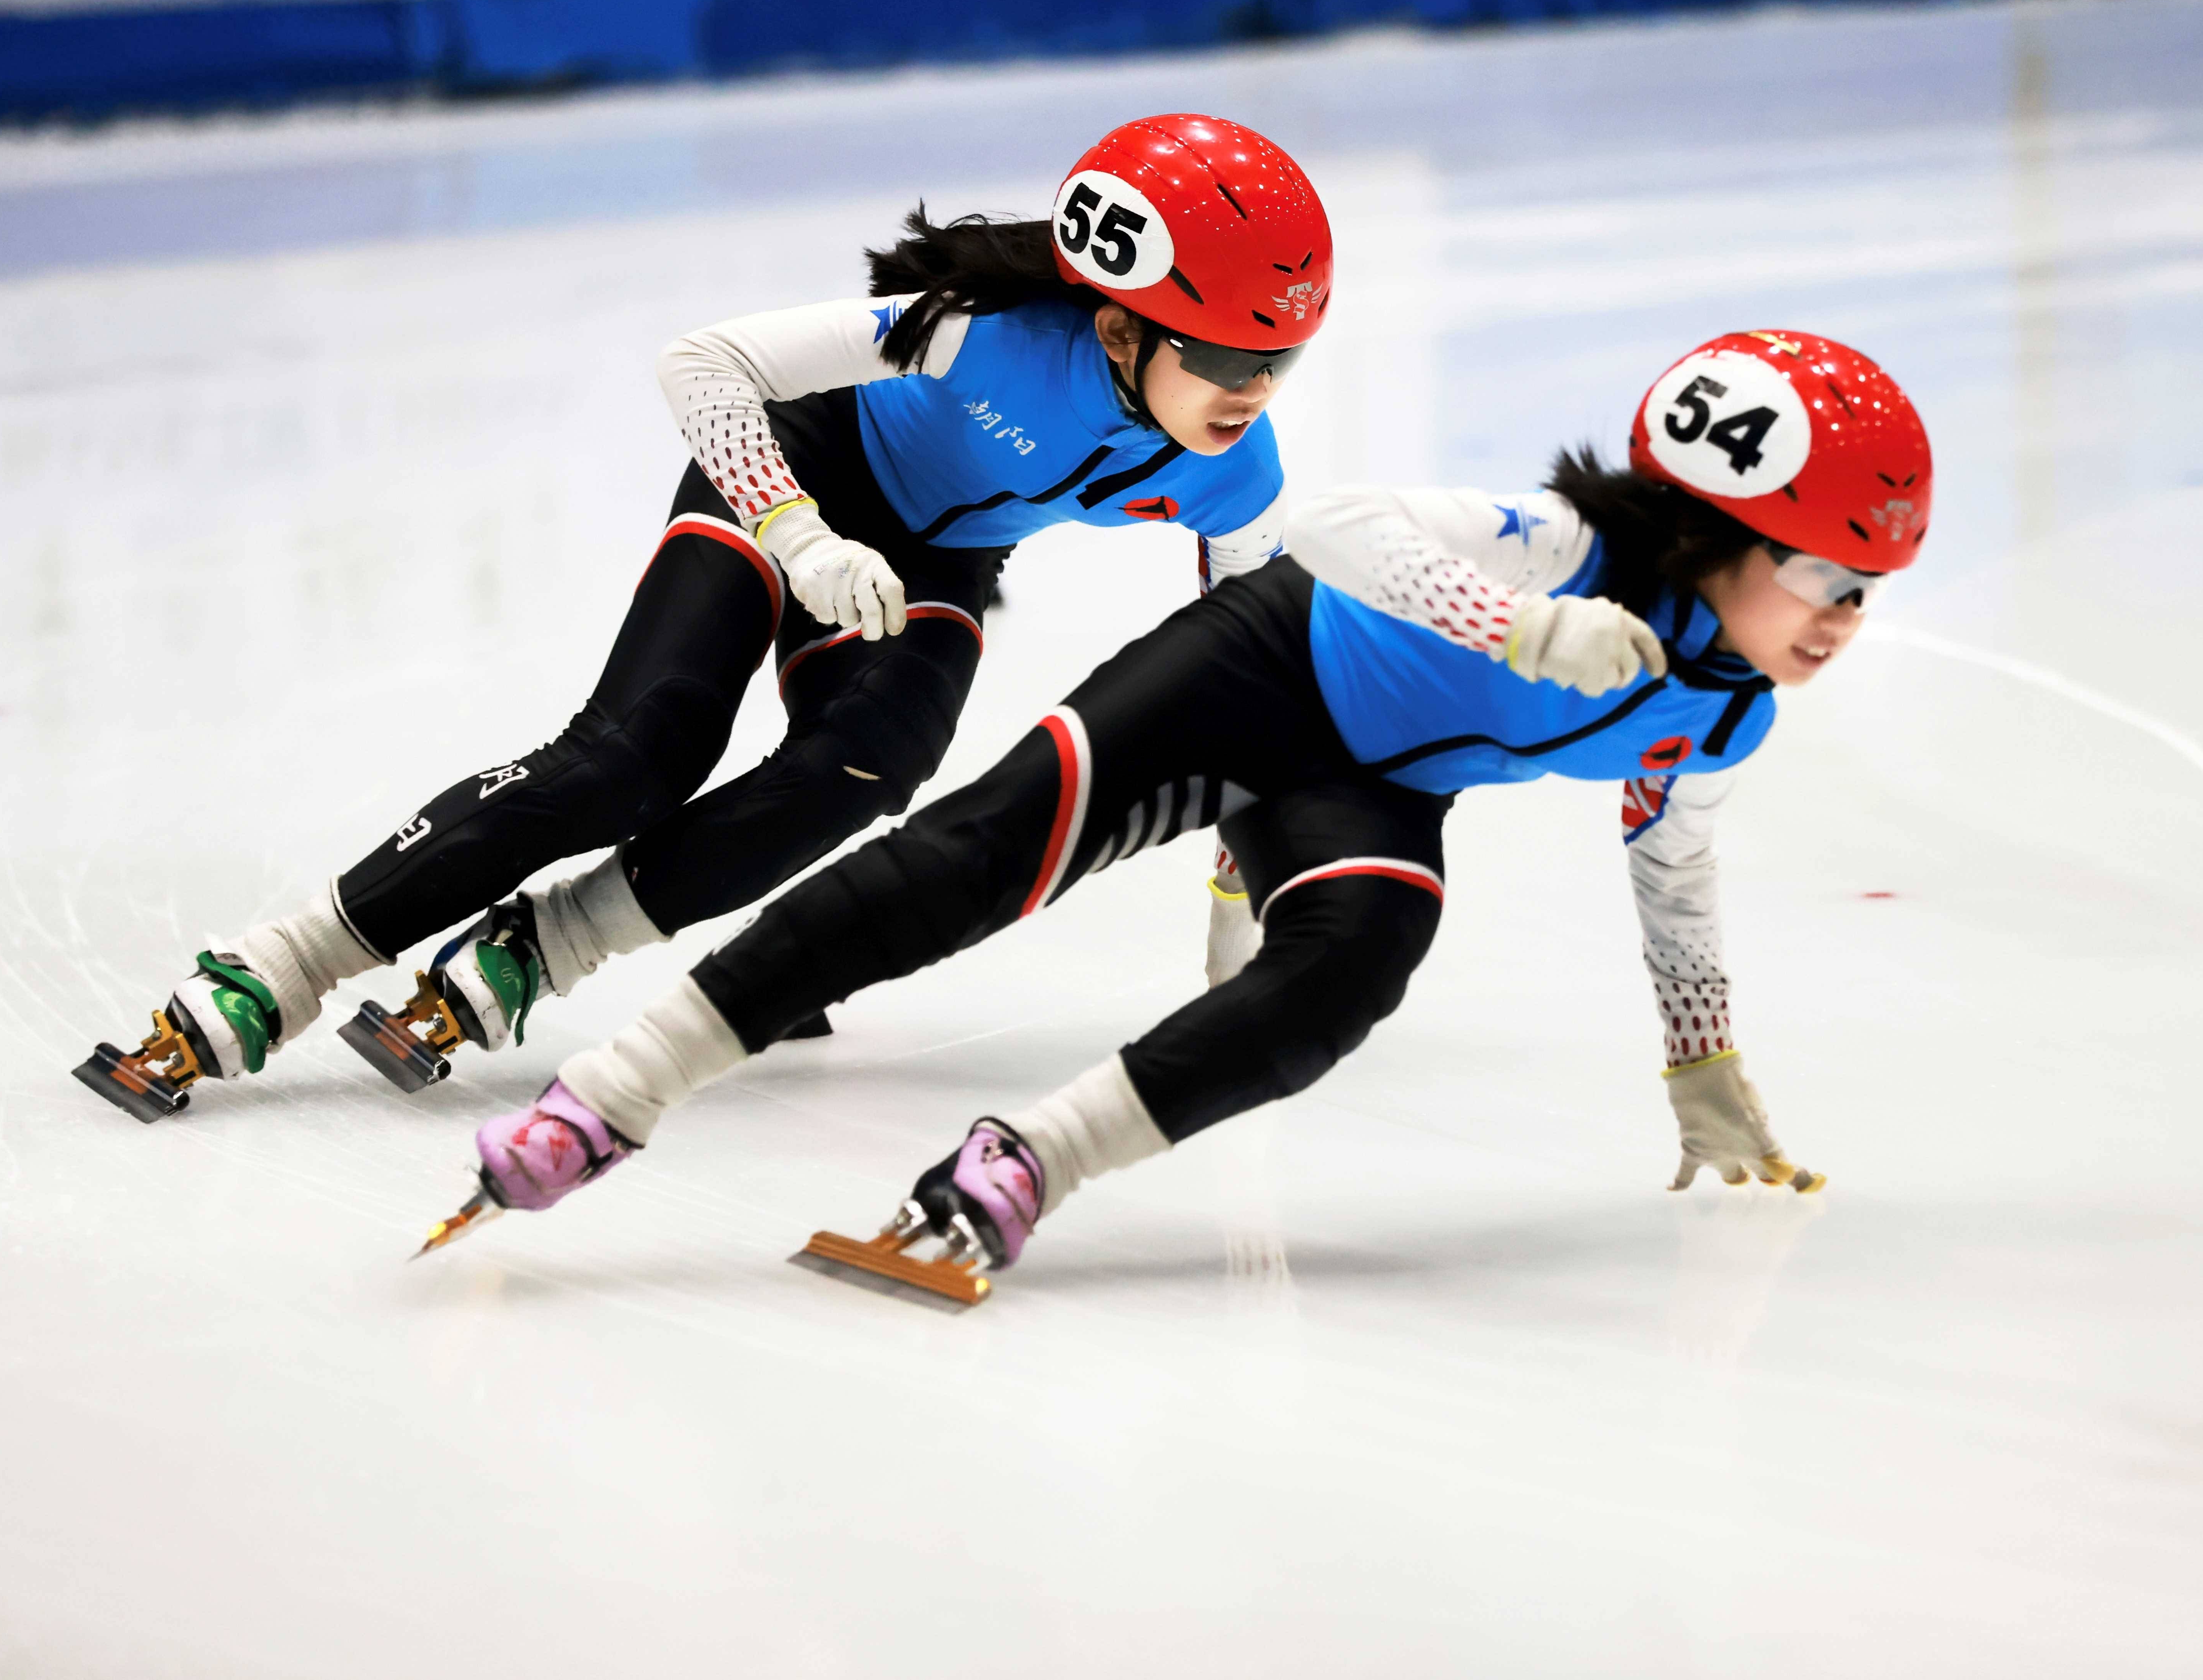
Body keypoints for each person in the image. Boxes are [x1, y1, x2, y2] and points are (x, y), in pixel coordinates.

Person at [422, 330, 1934, 1285]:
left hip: (1373, 788)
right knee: (969, 864)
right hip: (1256, 668)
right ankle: (608, 1097)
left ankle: (1024, 1165)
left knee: (1352, 970)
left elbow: (1671, 858)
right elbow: (1336, 524)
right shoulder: (1564, 546)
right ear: (1712, 529)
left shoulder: (1728, 710)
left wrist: (1699, 1055)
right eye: (1823, 575)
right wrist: (1517, 624)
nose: (1841, 620)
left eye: (1868, 591)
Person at [74, 114, 1335, 1122]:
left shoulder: (1239, 477)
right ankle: (288, 960)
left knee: (869, 764)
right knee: (636, 754)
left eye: (1278, 361)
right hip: (796, 466)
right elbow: (704, 364)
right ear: (1116, 326)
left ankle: (544, 945)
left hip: (935, 555)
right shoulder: (981, 337)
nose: (1255, 392)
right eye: (1230, 361)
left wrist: (1238, 913)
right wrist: (799, 533)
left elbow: (1241, 704)